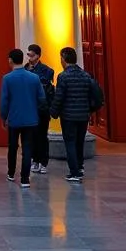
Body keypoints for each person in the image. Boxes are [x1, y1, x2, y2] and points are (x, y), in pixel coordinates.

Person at [50, 47, 98, 183]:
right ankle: (80, 167)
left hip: (68, 116)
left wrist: (53, 112)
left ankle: (74, 171)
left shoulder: (63, 76)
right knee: (79, 141)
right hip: (83, 115)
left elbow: (59, 97)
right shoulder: (86, 75)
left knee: (70, 142)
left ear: (63, 59)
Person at [0, 49, 44, 187]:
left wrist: (3, 117)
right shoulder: (34, 78)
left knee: (12, 146)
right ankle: (25, 178)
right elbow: (41, 98)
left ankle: (11, 173)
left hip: (14, 118)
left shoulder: (7, 78)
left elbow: (4, 101)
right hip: (31, 118)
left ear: (10, 60)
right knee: (28, 148)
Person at [25, 44, 54, 174]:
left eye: (32, 55)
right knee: (32, 136)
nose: (29, 58)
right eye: (28, 55)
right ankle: (35, 160)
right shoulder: (25, 69)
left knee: (42, 136)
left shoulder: (46, 70)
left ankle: (43, 161)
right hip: (30, 108)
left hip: (42, 108)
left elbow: (42, 84)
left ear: (38, 56)